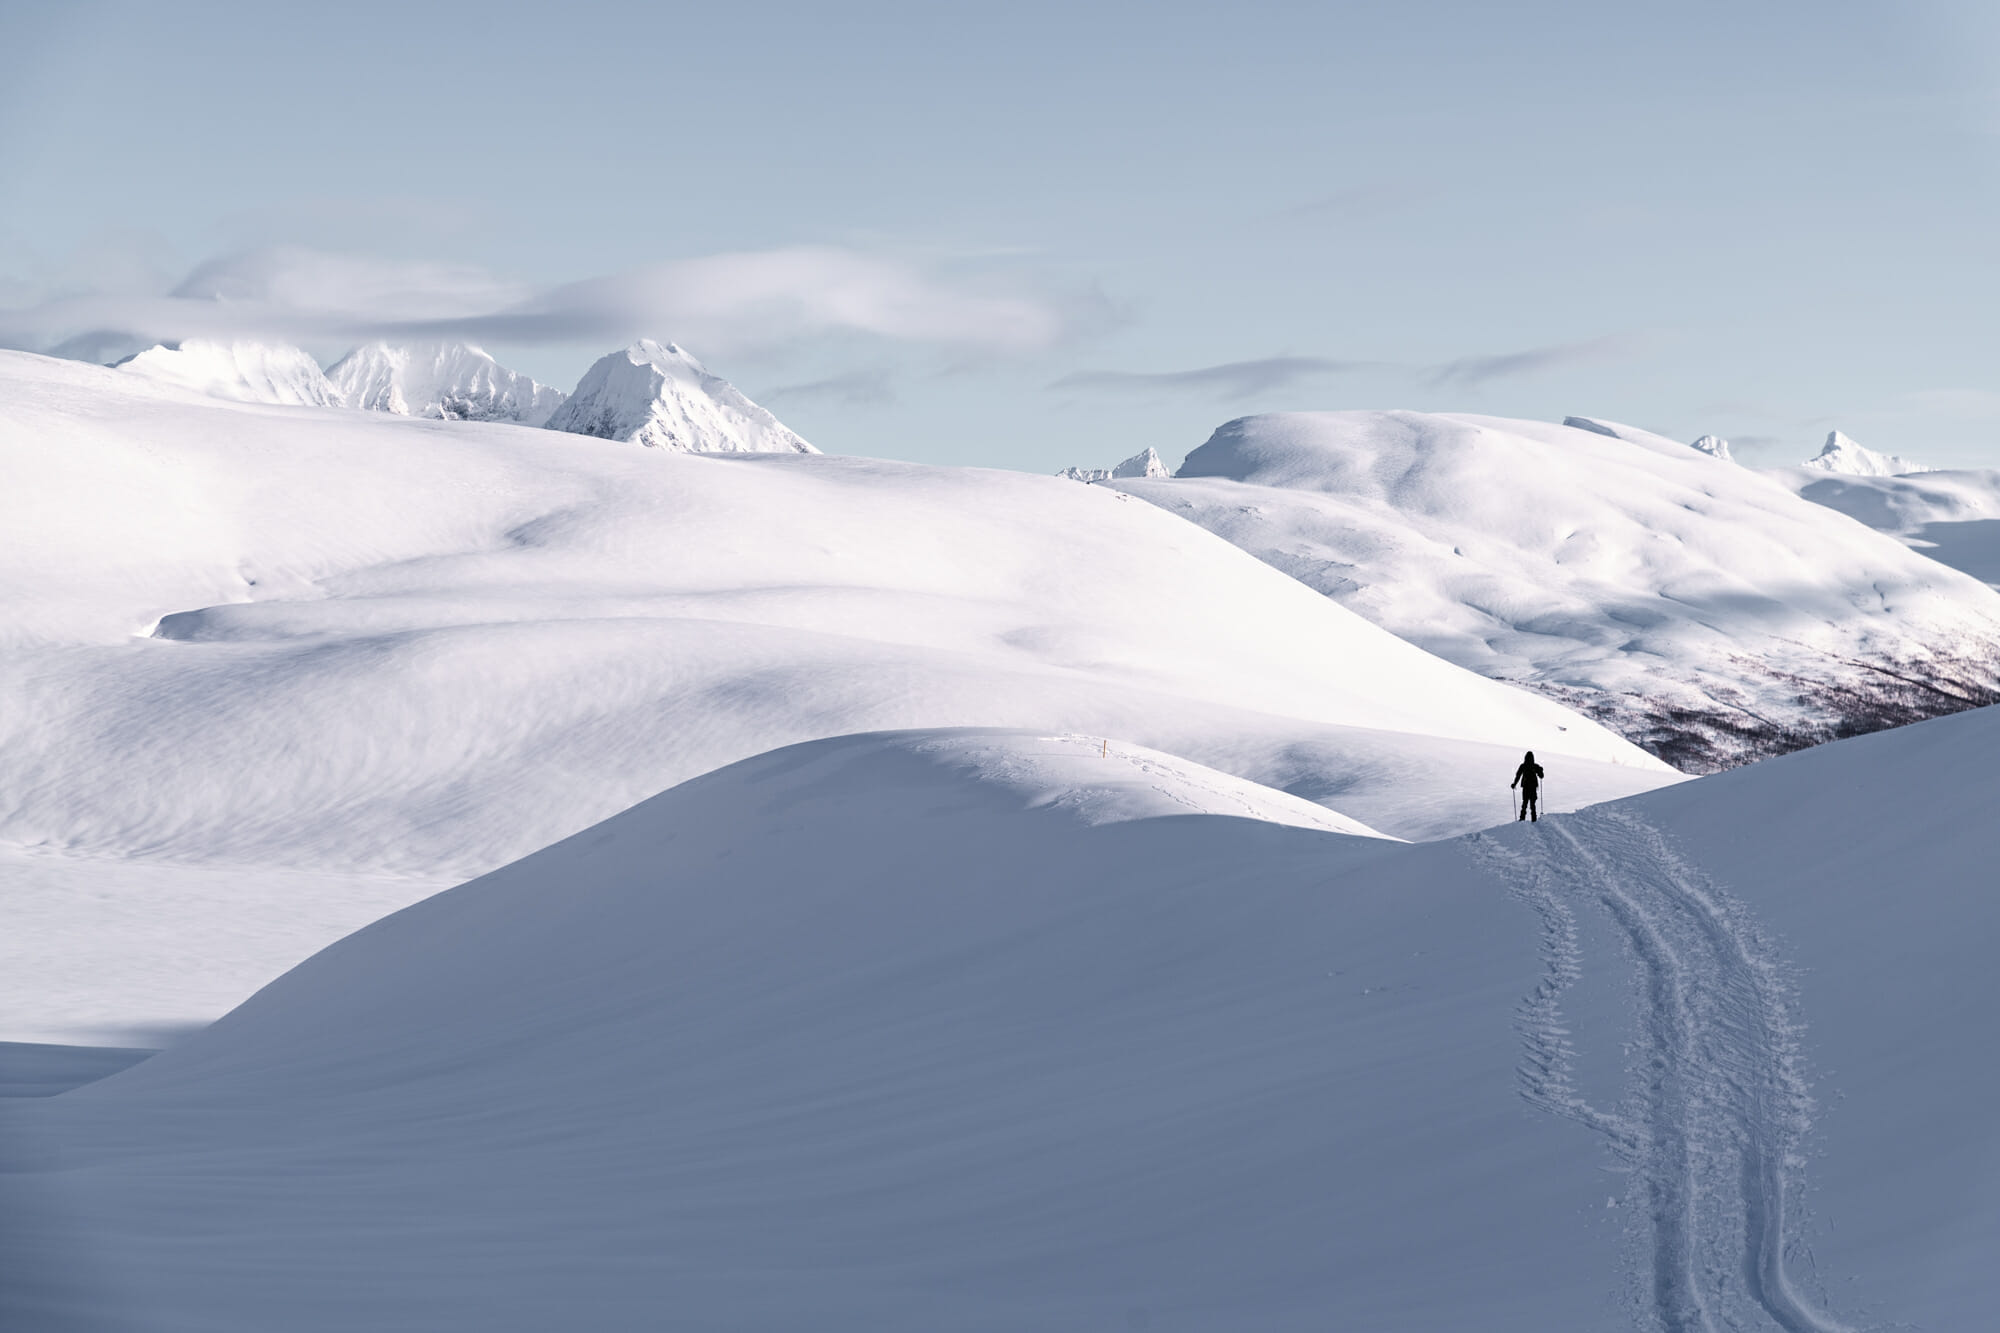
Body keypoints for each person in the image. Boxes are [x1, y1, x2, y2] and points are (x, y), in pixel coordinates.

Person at [1511, 751, 1544, 821]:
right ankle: (1534, 820)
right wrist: (1541, 770)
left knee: (1524, 803)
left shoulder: (1523, 766)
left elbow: (1518, 776)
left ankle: (1522, 819)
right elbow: (1541, 776)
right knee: (1533, 805)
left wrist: (1514, 784)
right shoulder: (1535, 766)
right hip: (1533, 787)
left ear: (1525, 758)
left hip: (1526, 787)